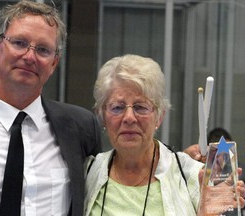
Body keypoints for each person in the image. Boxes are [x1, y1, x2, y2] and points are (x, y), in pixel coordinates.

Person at [0, 1, 101, 216]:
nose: (29, 57)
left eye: (43, 49)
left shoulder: (81, 127)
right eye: (19, 43)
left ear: (54, 63)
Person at [84, 54, 245, 216]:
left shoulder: (193, 177)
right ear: (103, 116)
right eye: (117, 107)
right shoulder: (85, 173)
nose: (129, 118)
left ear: (159, 117)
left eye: (140, 107)